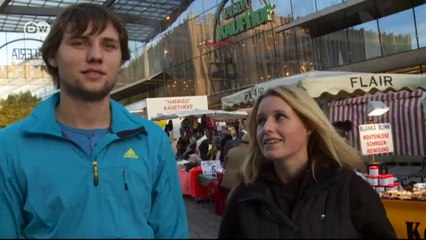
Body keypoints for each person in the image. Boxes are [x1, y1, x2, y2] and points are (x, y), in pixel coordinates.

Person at [0, 3, 188, 238]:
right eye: (80, 43)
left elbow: (172, 232)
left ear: (121, 59)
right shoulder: (8, 147)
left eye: (109, 46)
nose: (96, 56)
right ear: (52, 56)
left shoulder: (152, 141)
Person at [218, 86, 396, 239]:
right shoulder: (245, 195)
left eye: (279, 117)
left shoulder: (349, 189)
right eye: (261, 121)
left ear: (309, 125)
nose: (267, 128)